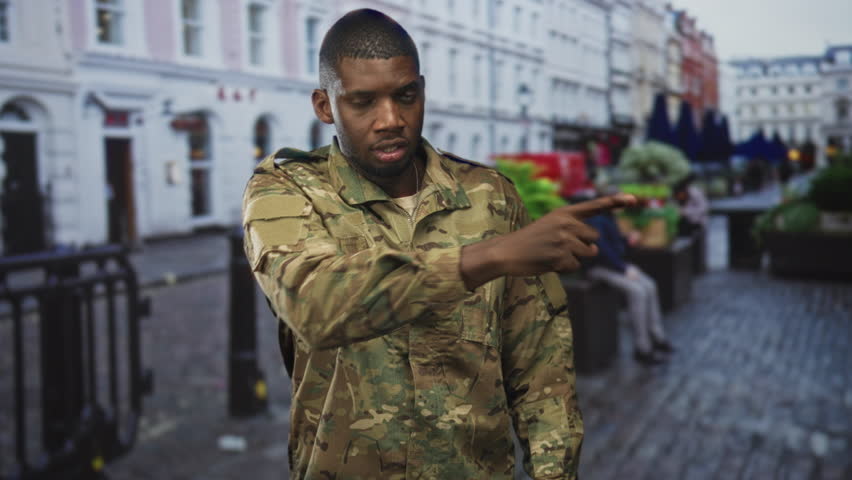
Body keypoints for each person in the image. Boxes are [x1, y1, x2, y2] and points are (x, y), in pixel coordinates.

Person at [242, 9, 635, 479]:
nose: (391, 119)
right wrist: (488, 257)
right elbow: (313, 304)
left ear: (423, 92)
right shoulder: (288, 192)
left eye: (405, 96)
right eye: (363, 102)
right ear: (325, 106)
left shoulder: (490, 196)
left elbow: (540, 368)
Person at [584, 209, 675, 366]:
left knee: (650, 285)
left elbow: (615, 244)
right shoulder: (596, 219)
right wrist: (624, 268)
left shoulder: (608, 217)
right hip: (599, 268)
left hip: (614, 266)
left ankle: (657, 337)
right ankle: (642, 348)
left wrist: (627, 241)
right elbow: (602, 250)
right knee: (638, 291)